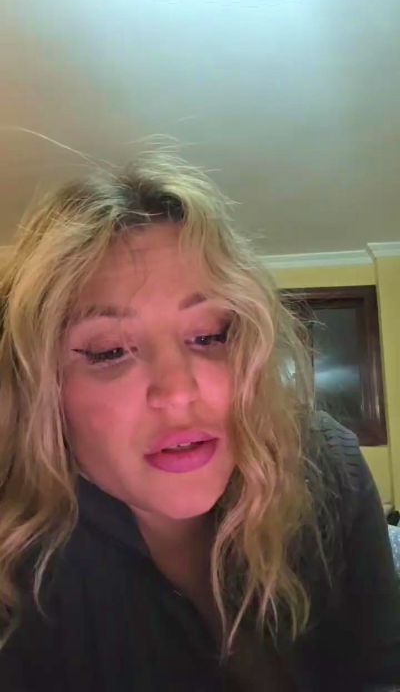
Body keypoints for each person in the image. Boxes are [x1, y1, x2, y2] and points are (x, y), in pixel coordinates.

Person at [0, 152, 399, 692]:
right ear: (42, 387)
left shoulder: (327, 464)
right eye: (110, 350)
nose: (179, 392)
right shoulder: (17, 574)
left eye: (209, 335)